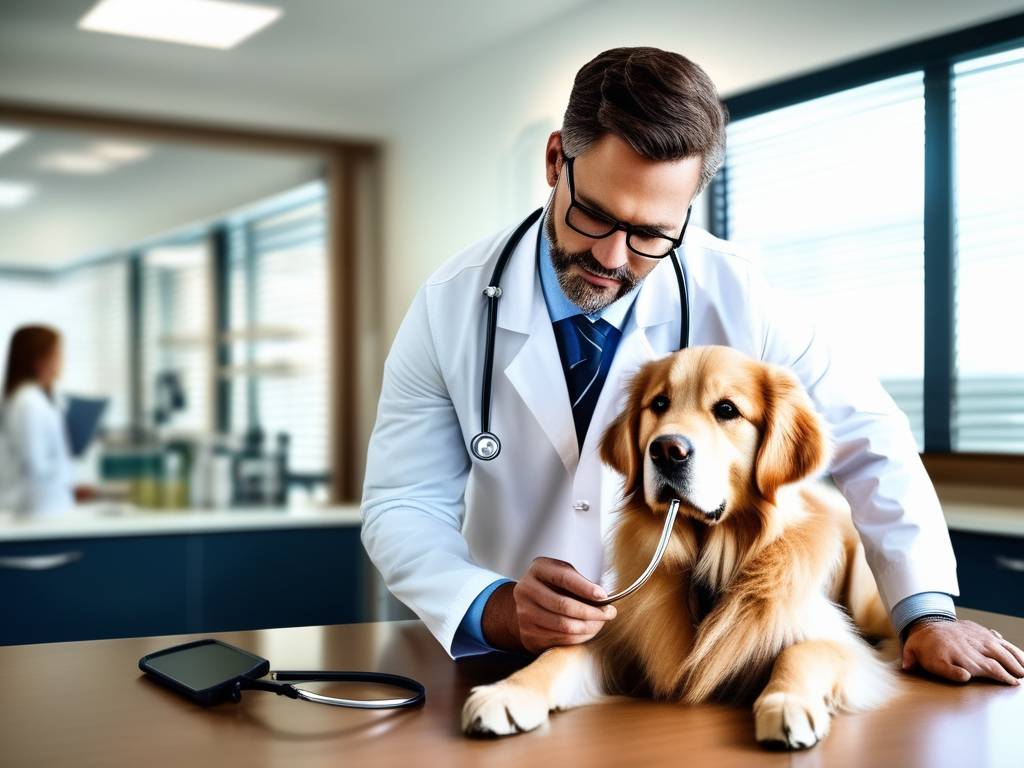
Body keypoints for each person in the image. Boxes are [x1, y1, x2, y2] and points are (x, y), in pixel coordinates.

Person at [361, 47, 1023, 686]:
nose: (614, 257)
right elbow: (403, 500)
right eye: (593, 215)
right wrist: (492, 606)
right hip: (515, 664)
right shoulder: (453, 304)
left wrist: (925, 613)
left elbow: (872, 440)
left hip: (680, 655)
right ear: (557, 158)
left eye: (651, 234)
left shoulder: (739, 294)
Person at [0, 324, 79, 515]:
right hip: (36, 509)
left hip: (45, 506)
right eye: (58, 353)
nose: (62, 361)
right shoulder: (29, 402)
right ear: (39, 360)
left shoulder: (38, 399)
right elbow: (36, 465)